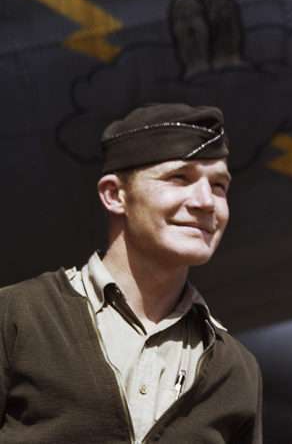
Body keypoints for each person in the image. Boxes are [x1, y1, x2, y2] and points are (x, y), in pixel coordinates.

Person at [0, 103, 262, 443]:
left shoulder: (236, 369)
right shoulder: (17, 316)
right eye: (179, 178)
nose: (205, 202)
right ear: (114, 195)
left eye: (218, 186)